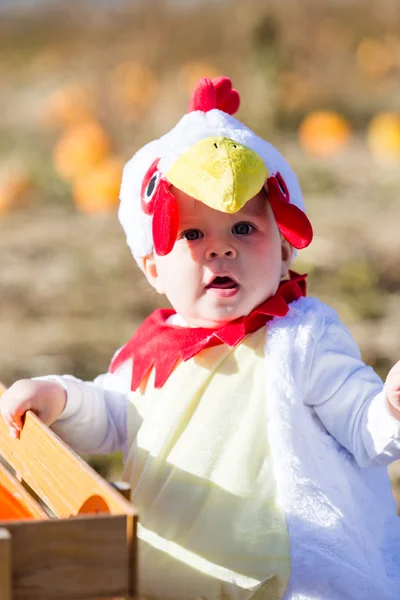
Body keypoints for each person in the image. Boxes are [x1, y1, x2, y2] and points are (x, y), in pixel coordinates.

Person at [1, 76, 400, 600]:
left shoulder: (302, 340)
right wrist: (61, 398)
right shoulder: (151, 351)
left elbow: (359, 426)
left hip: (276, 584)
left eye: (243, 229)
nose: (221, 250)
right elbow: (115, 416)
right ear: (153, 268)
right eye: (192, 234)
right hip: (164, 577)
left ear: (284, 253)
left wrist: (389, 407)